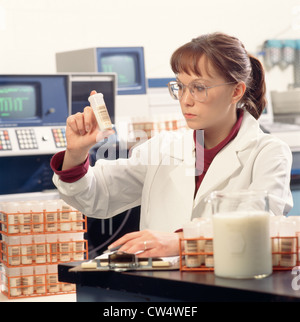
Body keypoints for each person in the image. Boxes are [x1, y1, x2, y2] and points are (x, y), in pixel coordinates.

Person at [51, 32, 293, 258]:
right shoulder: (162, 148)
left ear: (236, 91)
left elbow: (264, 231)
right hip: (160, 291)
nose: (186, 100)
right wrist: (76, 153)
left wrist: (181, 242)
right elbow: (94, 197)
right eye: (180, 86)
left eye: (199, 88)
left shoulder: (268, 153)